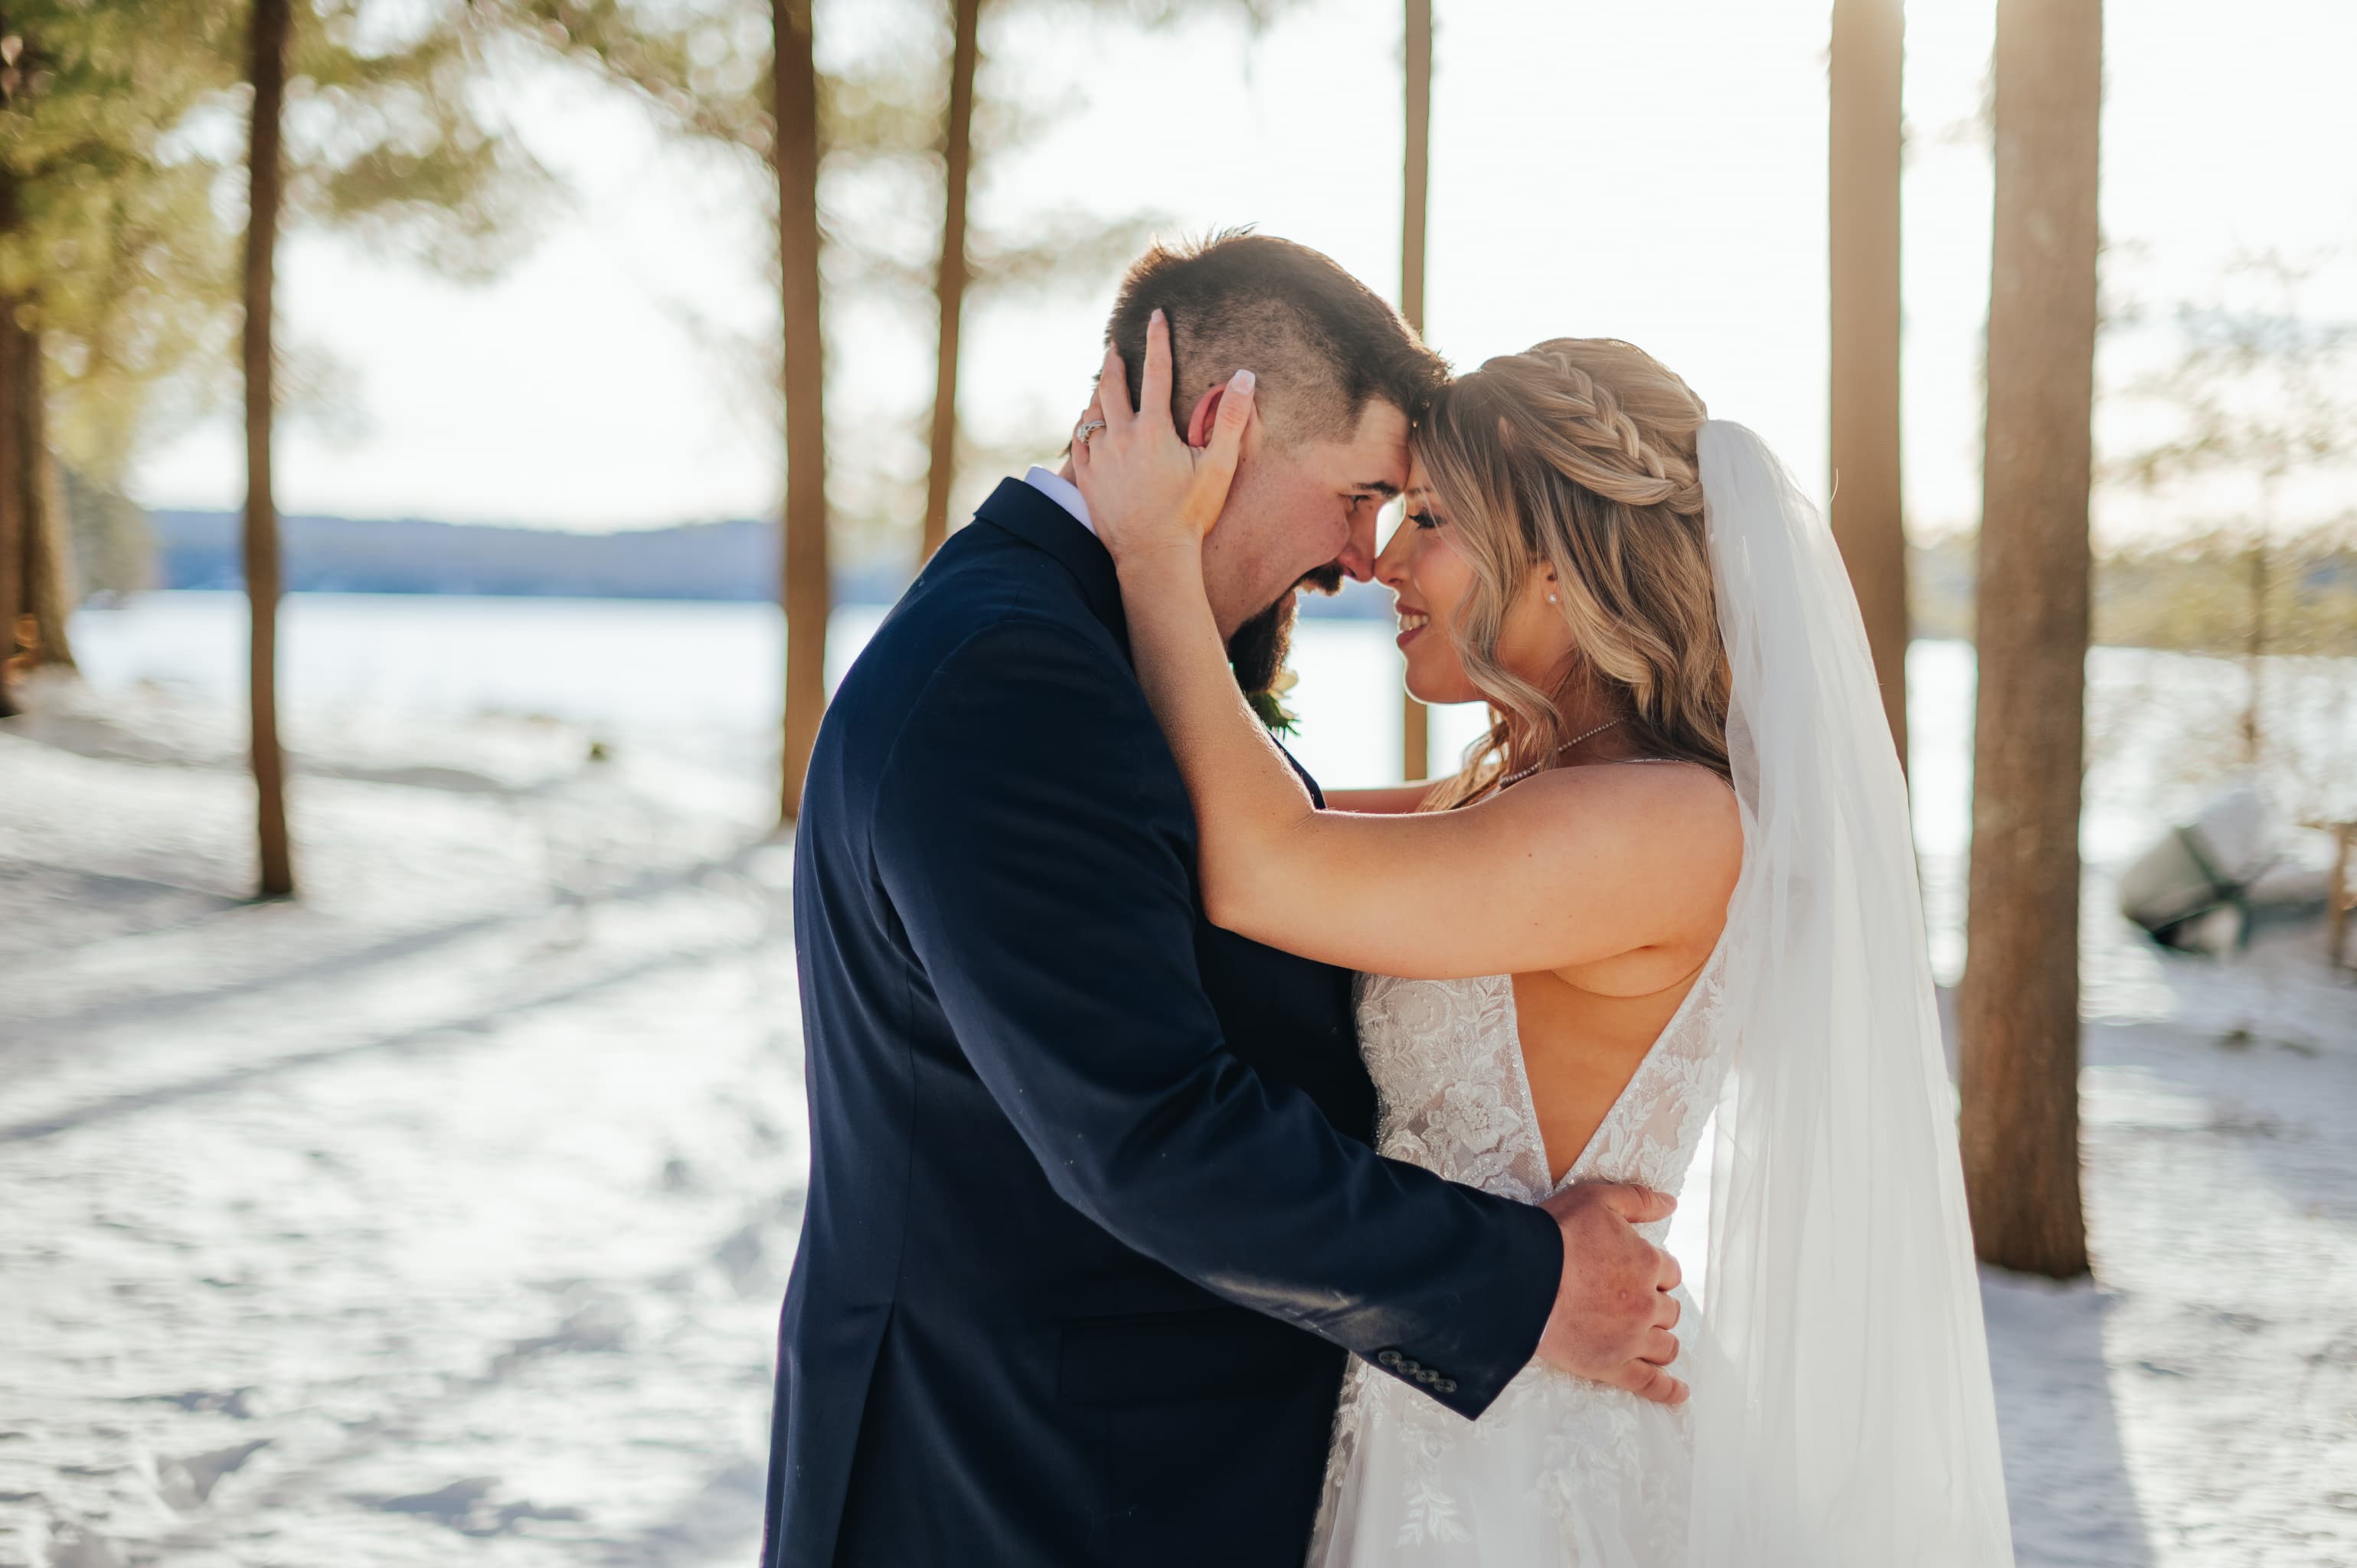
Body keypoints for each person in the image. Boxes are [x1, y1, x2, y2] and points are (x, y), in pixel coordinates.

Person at [761, 234, 1688, 1568]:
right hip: (1019, 1484)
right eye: (1365, 493)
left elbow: (1292, 855)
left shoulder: (1080, 641)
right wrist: (1528, 1285)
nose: (1365, 557)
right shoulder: (1018, 677)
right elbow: (1147, 1135)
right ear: (1217, 430)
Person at [1071, 325, 2015, 1563]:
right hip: (1430, 1389)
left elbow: (1262, 866)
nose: (1381, 559)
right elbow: (1221, 828)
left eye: (1432, 522)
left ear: (1558, 567)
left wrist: (1155, 550)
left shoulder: (1665, 823)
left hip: (1511, 1465)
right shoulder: (1518, 793)